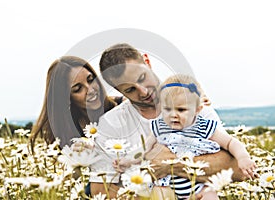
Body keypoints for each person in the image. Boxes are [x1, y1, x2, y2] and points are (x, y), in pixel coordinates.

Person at [89, 43, 248, 198]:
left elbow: (237, 169)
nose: (144, 92)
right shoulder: (111, 124)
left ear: (147, 61)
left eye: (142, 77)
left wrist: (169, 165)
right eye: (130, 89)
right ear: (118, 90)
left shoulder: (194, 106)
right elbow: (99, 191)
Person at [150, 74, 256, 199]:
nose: (173, 115)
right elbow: (145, 147)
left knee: (209, 195)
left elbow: (230, 142)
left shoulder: (203, 127)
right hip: (167, 186)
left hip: (200, 187)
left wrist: (243, 157)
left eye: (181, 110)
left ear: (197, 109)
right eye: (167, 109)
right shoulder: (160, 127)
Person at [29, 56, 123, 151]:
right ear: (65, 98)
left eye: (90, 80)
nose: (90, 90)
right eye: (78, 89)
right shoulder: (64, 134)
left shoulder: (123, 107)